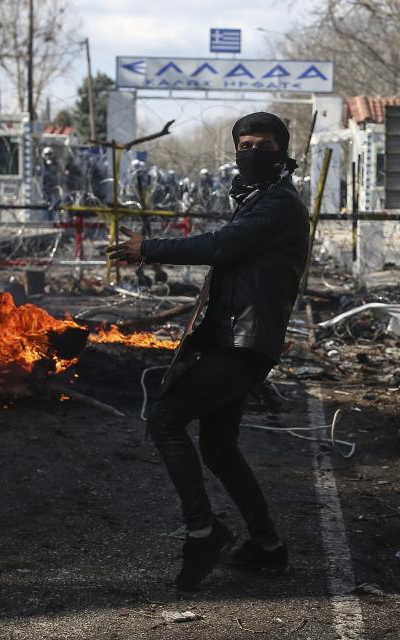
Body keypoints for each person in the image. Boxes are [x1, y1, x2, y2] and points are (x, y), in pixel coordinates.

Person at [107, 112, 310, 591]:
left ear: (283, 150)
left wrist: (149, 248)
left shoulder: (279, 203)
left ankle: (204, 530)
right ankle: (267, 548)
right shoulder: (260, 197)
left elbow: (221, 246)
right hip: (233, 339)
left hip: (246, 343)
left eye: (263, 144)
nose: (252, 152)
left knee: (166, 418)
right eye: (244, 144)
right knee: (218, 447)